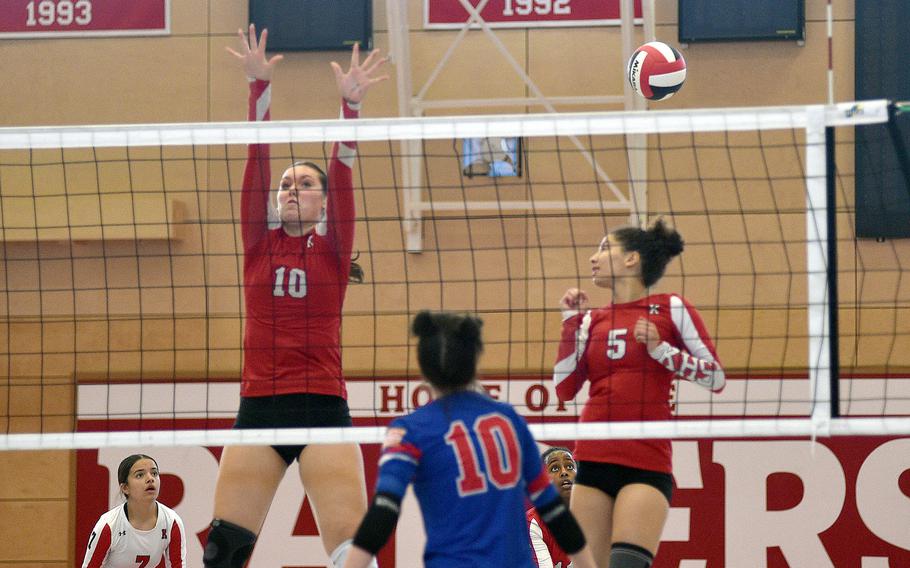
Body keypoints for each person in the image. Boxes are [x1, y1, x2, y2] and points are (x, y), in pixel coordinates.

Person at [202, 25, 387, 568]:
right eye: (286, 184)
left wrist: (349, 107)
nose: (291, 189)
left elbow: (343, 170)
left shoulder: (331, 249)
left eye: (304, 184)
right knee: (222, 553)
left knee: (353, 555)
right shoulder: (258, 243)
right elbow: (256, 158)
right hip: (259, 407)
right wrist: (259, 88)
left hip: (321, 408)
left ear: (323, 204)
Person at [343, 311, 596, 568]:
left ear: (423, 368)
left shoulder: (410, 431)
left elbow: (383, 512)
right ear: (475, 363)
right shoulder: (510, 420)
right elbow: (554, 511)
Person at [553, 219, 725, 568]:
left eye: (604, 248)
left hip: (645, 461)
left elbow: (715, 377)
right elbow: (565, 388)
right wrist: (571, 322)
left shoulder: (672, 307)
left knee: (626, 565)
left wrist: (662, 351)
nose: (594, 257)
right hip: (593, 458)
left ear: (631, 259)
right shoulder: (592, 321)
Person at [82, 454, 186, 567]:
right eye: (140, 475)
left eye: (154, 473)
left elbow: (177, 565)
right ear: (125, 488)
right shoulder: (109, 525)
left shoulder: (172, 521)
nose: (150, 479)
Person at [528, 446, 577, 568]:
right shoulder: (533, 522)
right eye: (555, 468)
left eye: (570, 466)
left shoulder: (595, 513)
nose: (564, 472)